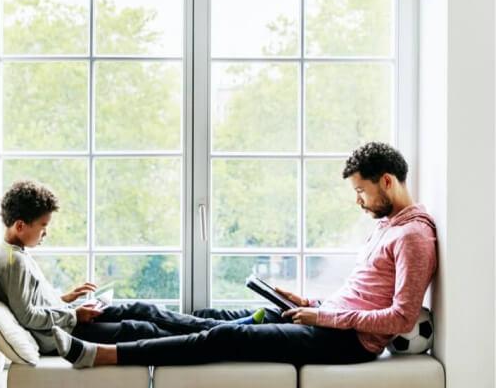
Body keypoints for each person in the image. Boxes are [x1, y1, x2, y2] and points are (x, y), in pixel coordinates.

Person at [51, 141, 438, 369]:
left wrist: (322, 315)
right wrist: (311, 302)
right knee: (208, 317)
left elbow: (401, 318)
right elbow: (365, 294)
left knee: (224, 336)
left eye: (361, 191)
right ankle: (96, 314)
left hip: (346, 342)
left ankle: (104, 355)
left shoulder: (414, 237)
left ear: (386, 181)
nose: (359, 201)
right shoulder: (387, 226)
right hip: (326, 320)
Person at [0, 180, 265, 360]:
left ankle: (223, 328)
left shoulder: (17, 254)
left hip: (68, 319)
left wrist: (67, 298)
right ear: (20, 225)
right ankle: (222, 335)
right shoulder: (12, 261)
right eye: (43, 226)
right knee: (140, 327)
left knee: (141, 308)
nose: (45, 233)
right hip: (63, 334)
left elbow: (32, 302)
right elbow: (26, 315)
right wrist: (74, 314)